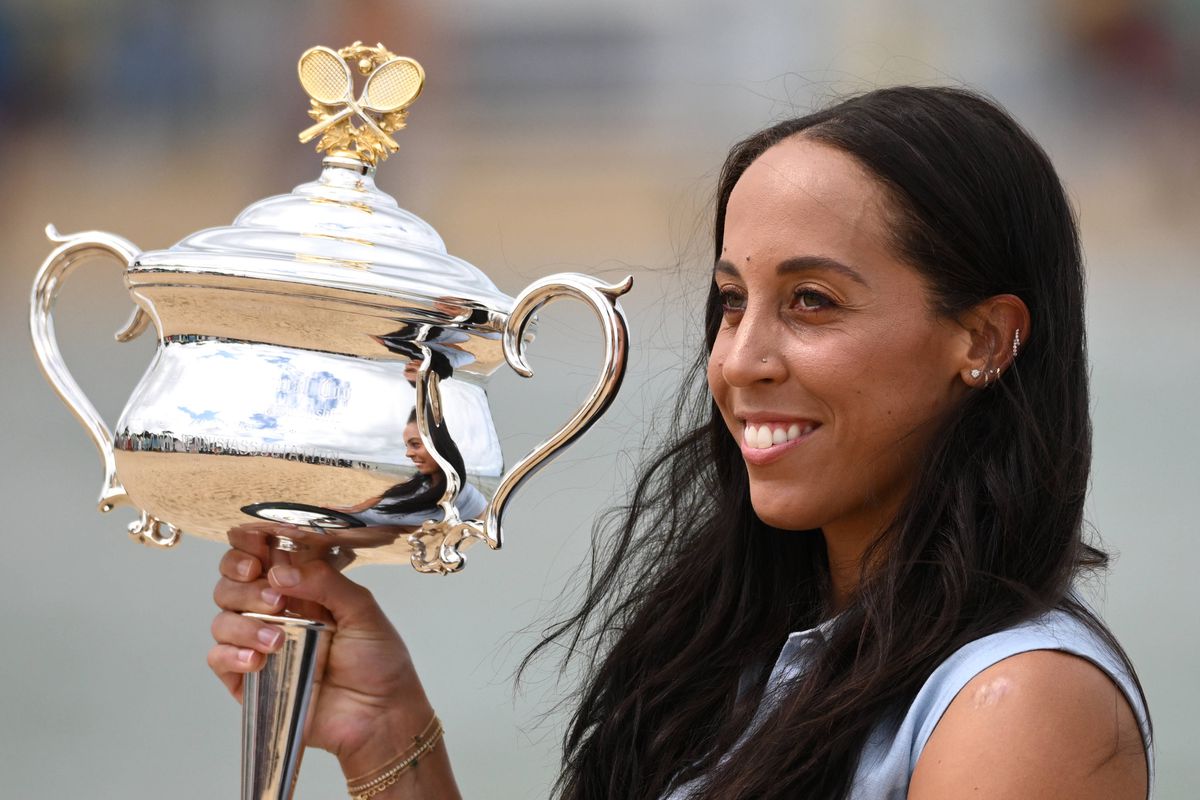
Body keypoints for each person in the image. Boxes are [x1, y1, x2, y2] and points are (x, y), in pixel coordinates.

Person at [207, 87, 1153, 799]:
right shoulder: (742, 657)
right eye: (733, 300)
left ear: (982, 340)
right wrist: (389, 736)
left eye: (812, 302)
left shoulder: (1017, 704)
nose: (740, 360)